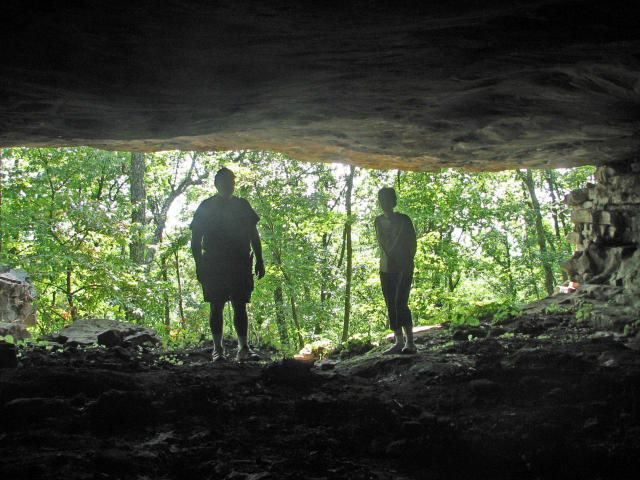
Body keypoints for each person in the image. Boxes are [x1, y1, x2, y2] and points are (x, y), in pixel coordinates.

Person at [190, 167, 265, 362]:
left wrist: (260, 259)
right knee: (216, 305)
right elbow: (195, 239)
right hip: (214, 263)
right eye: (224, 183)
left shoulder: (242, 205)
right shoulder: (206, 206)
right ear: (216, 184)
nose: (229, 186)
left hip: (240, 262)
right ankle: (218, 350)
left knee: (240, 305)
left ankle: (244, 348)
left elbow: (254, 235)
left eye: (231, 182)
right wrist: (199, 264)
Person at [374, 187, 417, 354]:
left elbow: (412, 243)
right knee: (390, 303)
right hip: (386, 268)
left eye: (387, 199)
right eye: (381, 199)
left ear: (394, 201)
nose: (384, 203)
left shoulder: (404, 220)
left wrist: (405, 263)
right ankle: (399, 341)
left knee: (401, 303)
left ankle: (411, 343)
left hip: (403, 267)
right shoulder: (378, 221)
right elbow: (383, 243)